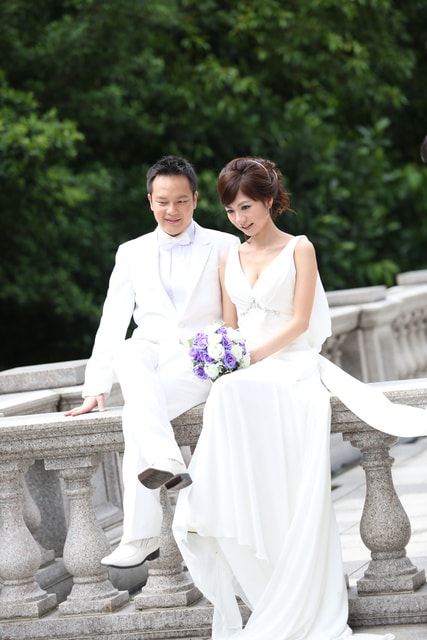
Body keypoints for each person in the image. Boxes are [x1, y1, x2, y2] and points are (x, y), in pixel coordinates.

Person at [173, 157, 427, 639]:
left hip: (290, 362)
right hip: (248, 369)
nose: (239, 218)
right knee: (226, 391)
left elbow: (299, 322)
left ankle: (298, 585)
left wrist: (252, 357)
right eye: (230, 211)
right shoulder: (230, 257)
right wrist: (224, 354)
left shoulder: (299, 248)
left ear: (269, 201)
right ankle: (234, 517)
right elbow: (230, 326)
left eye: (246, 207)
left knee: (236, 389)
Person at [65, 155, 239, 569]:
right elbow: (113, 319)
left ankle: (140, 537)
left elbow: (237, 311)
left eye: (181, 201)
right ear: (149, 201)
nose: (171, 210)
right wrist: (96, 387)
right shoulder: (131, 252)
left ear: (195, 199)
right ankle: (167, 459)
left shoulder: (224, 245)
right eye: (163, 202)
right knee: (128, 350)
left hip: (198, 360)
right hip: (151, 354)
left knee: (136, 417)